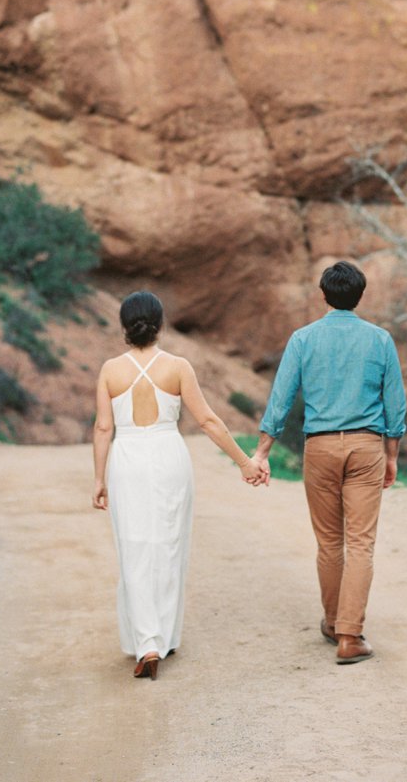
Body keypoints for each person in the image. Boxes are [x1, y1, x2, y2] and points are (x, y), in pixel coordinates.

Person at [92, 290, 265, 679]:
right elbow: (207, 421)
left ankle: (145, 642)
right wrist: (244, 463)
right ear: (160, 324)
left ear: (124, 326)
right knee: (169, 546)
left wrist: (99, 478)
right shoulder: (178, 366)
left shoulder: (109, 371)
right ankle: (164, 638)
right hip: (169, 456)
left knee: (134, 549)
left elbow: (104, 427)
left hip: (127, 460)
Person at [251, 261, 406, 665]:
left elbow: (281, 397)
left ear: (324, 295)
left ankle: (334, 620)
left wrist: (262, 450)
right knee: (360, 543)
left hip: (319, 448)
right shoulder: (380, 340)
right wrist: (391, 457)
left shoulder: (303, 339)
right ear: (359, 295)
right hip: (366, 447)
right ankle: (349, 636)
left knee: (329, 542)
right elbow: (395, 405)